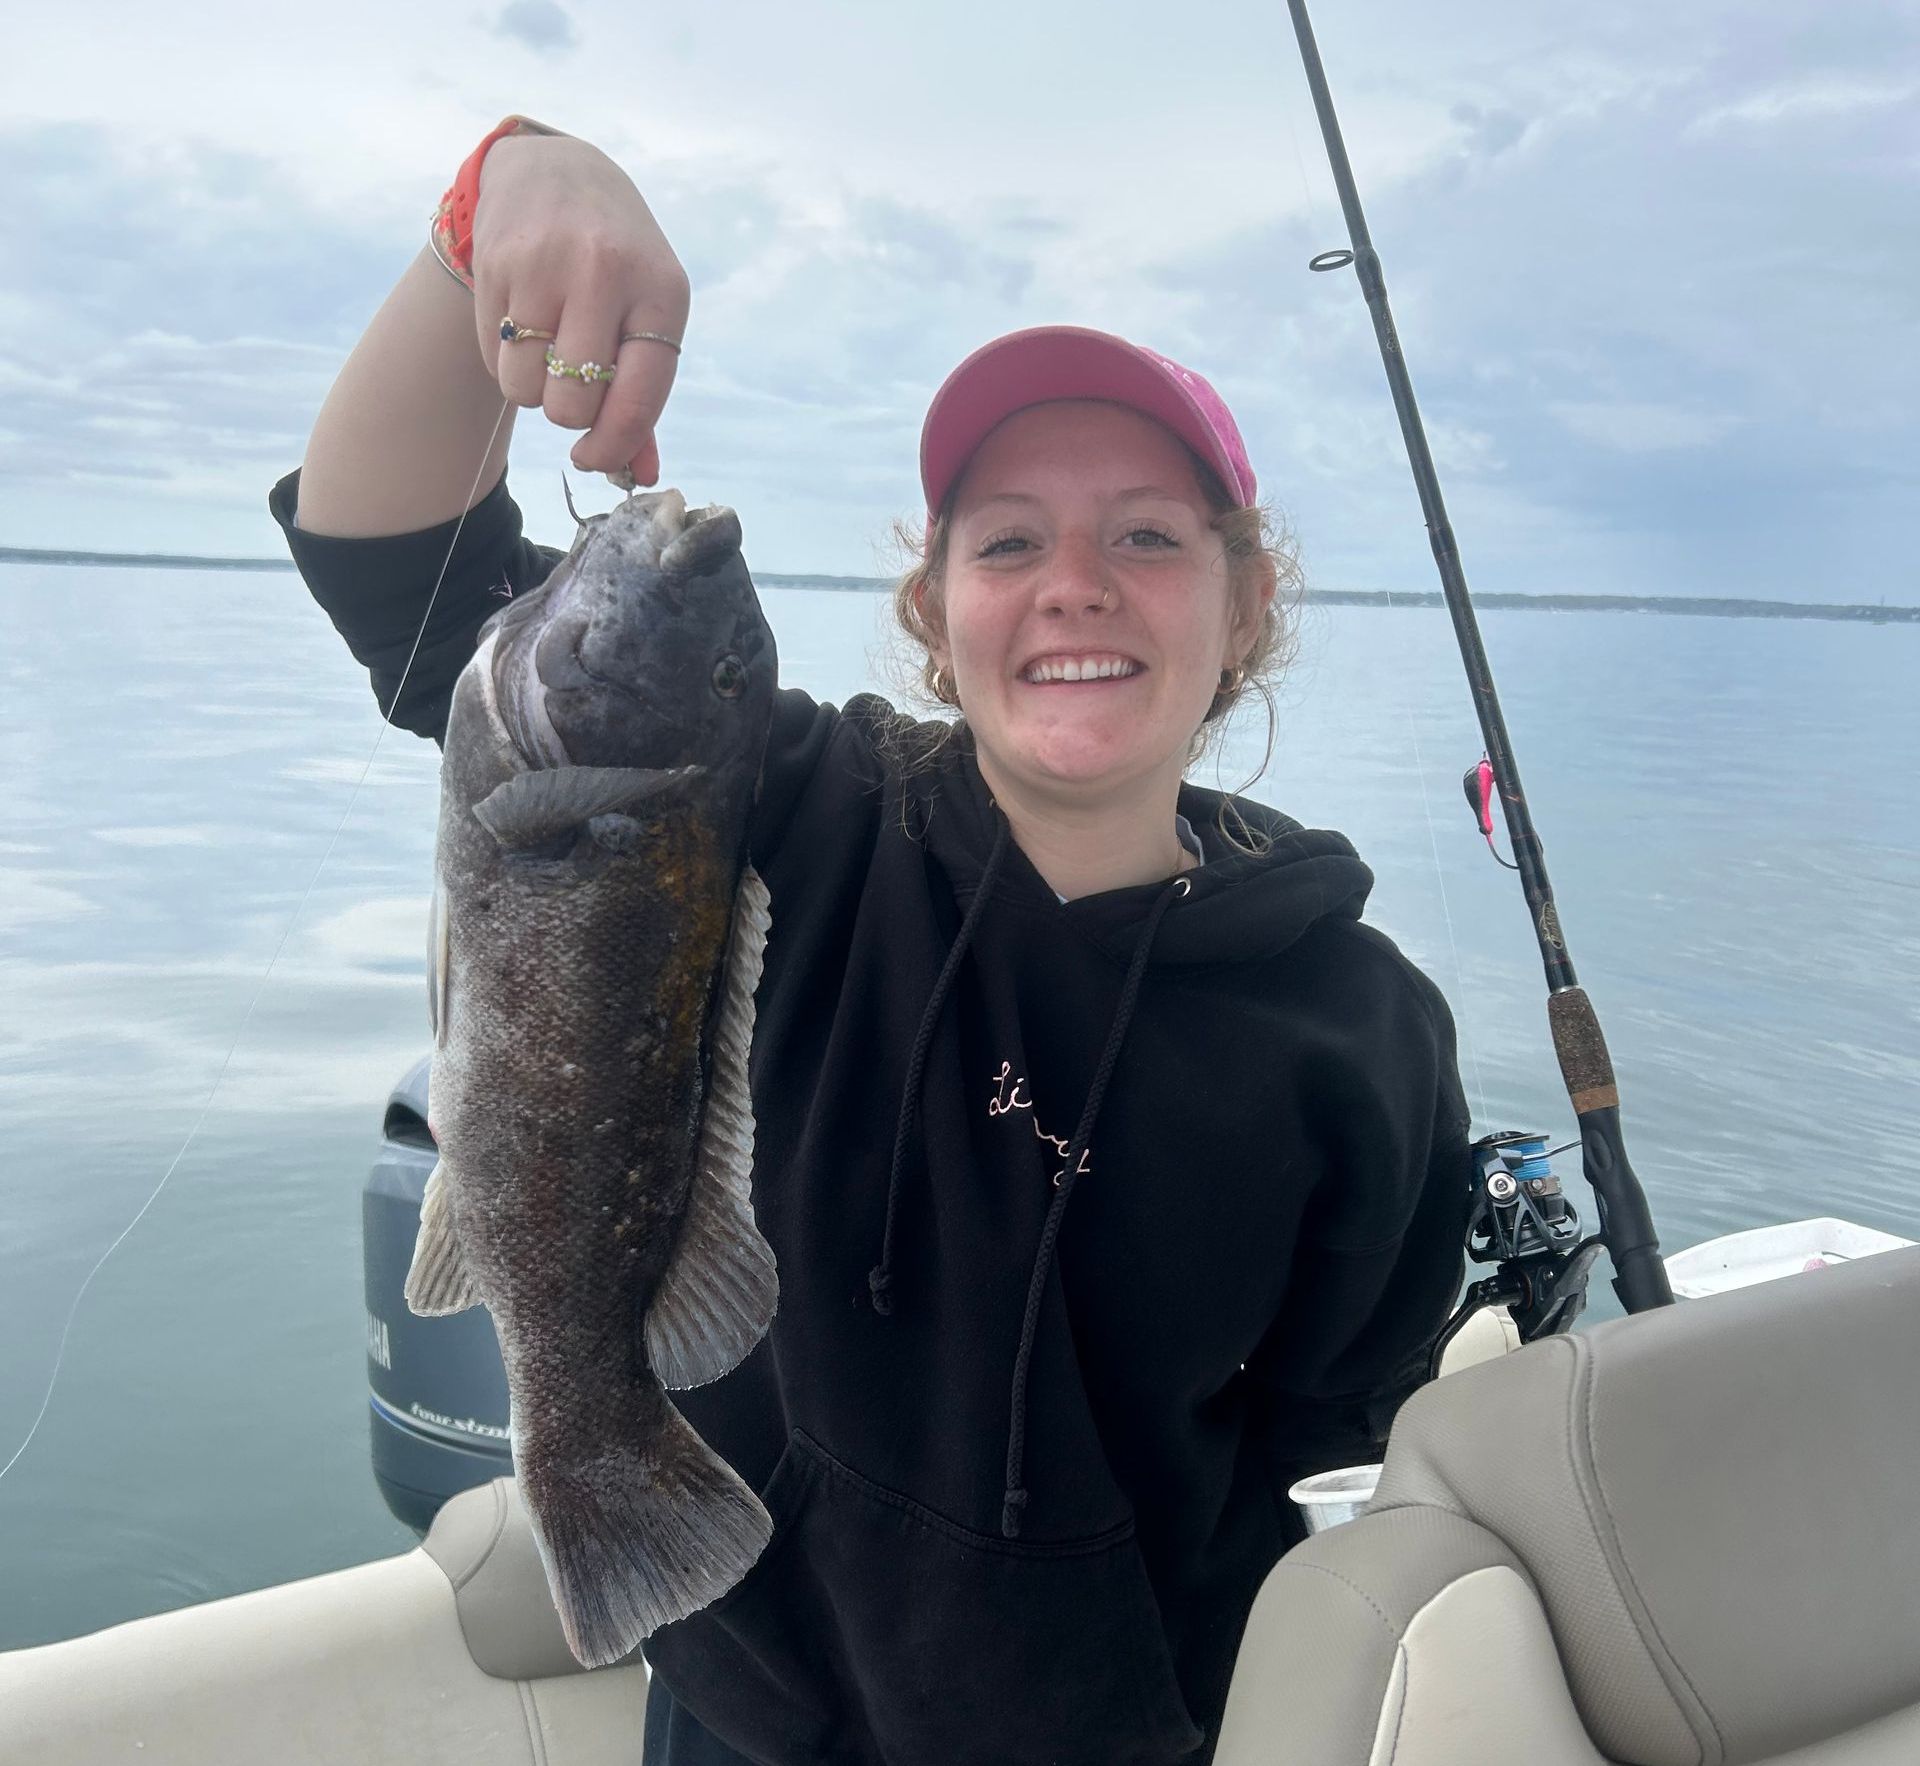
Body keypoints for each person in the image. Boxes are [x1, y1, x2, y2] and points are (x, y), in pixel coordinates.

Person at [272, 118, 1474, 1766]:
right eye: (1006, 540)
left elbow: (1338, 1451)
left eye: (1146, 534)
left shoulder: (1366, 1031)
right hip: (747, 1708)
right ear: (935, 607)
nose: (1075, 586)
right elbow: (385, 552)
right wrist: (494, 199)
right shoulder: (778, 801)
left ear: (1243, 601)